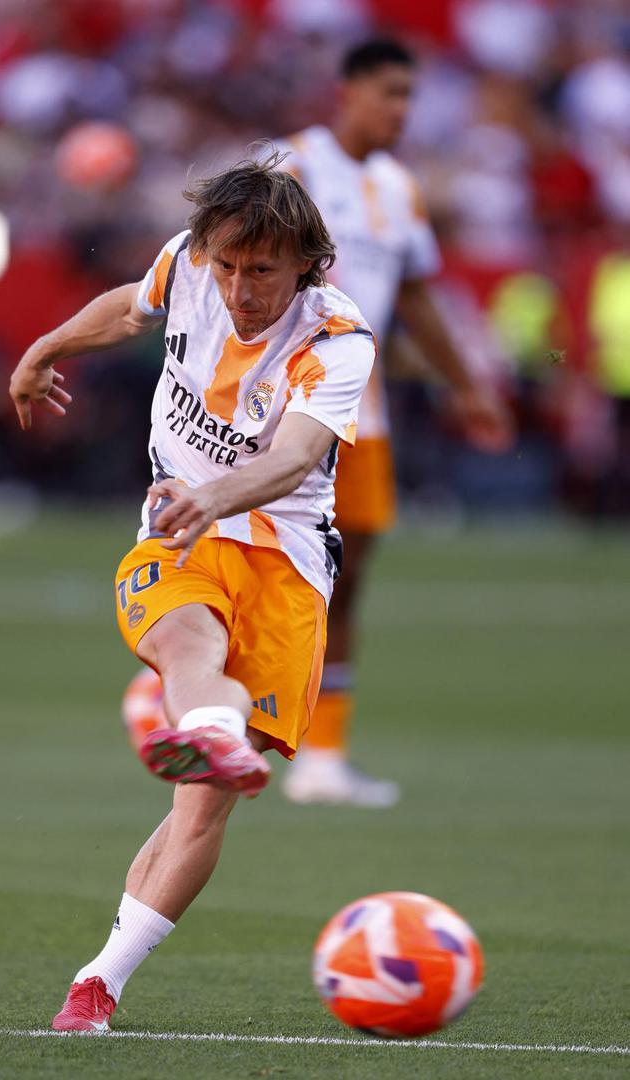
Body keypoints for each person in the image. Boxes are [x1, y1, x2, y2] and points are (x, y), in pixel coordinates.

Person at [9, 155, 376, 1032]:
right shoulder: (187, 262)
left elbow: (294, 457)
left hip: (285, 562)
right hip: (181, 532)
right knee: (186, 643)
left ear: (308, 265)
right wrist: (45, 348)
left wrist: (213, 495)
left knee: (203, 806)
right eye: (228, 268)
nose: (241, 290)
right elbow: (129, 307)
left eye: (263, 272)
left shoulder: (336, 340)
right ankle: (209, 730)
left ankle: (99, 981)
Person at [274, 39, 513, 807]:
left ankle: (321, 760)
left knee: (344, 583)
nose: (401, 110)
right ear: (346, 91)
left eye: (409, 96)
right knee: (260, 572)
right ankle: (213, 720)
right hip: (280, 407)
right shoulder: (291, 168)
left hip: (362, 414)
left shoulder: (398, 189)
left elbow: (414, 297)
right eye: (388, 93)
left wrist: (465, 385)